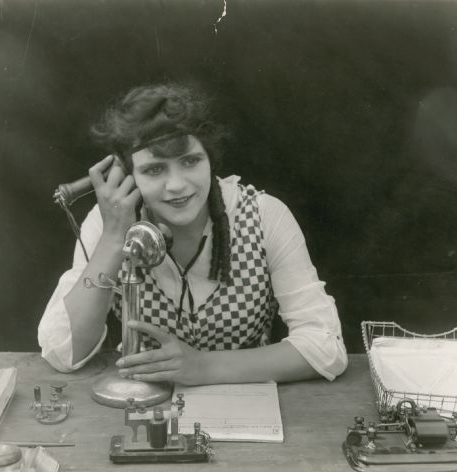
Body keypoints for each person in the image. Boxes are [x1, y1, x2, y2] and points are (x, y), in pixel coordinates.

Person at [38, 83, 348, 385]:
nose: (177, 185)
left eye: (190, 161)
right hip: (146, 406)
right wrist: (113, 240)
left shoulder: (265, 216)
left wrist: (203, 367)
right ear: (127, 175)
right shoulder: (110, 223)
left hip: (244, 406)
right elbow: (63, 353)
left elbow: (325, 347)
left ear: (210, 159)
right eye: (154, 169)